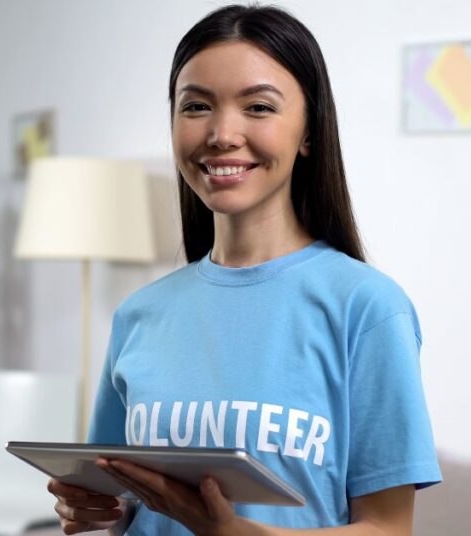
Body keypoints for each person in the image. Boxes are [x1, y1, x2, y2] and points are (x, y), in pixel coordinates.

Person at [47, 4, 442, 535]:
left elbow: (389, 529)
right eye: (196, 107)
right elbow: (115, 497)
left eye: (258, 107)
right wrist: (94, 510)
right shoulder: (139, 315)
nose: (222, 133)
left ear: (308, 133)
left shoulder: (367, 308)